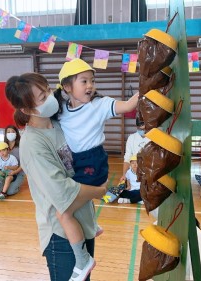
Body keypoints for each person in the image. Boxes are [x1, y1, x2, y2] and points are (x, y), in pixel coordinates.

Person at [5, 72, 107, 281]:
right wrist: (100, 190)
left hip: (84, 222)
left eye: (48, 91)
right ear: (26, 109)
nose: (50, 99)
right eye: (42, 98)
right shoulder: (33, 145)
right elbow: (63, 194)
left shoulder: (60, 123)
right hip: (61, 235)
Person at [53, 58, 138, 278]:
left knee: (64, 213)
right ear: (68, 87)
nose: (90, 85)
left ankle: (83, 261)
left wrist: (145, 89)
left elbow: (128, 106)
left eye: (92, 80)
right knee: (79, 194)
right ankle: (93, 225)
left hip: (93, 161)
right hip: (74, 160)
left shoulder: (99, 105)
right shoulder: (61, 109)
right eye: (84, 81)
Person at [0, 125, 25, 196]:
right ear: (5, 134)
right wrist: (0, 173)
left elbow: (24, 163)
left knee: (9, 191)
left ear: (16, 134)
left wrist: (15, 172)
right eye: (8, 132)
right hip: (4, 173)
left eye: (13, 132)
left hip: (18, 173)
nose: (10, 133)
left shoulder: (21, 147)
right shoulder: (1, 146)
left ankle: (16, 185)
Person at [120, 117, 148, 183]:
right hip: (134, 173)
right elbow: (127, 158)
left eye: (144, 129)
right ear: (137, 127)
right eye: (140, 129)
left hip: (148, 172)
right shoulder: (131, 138)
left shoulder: (153, 138)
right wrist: (124, 175)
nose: (142, 131)